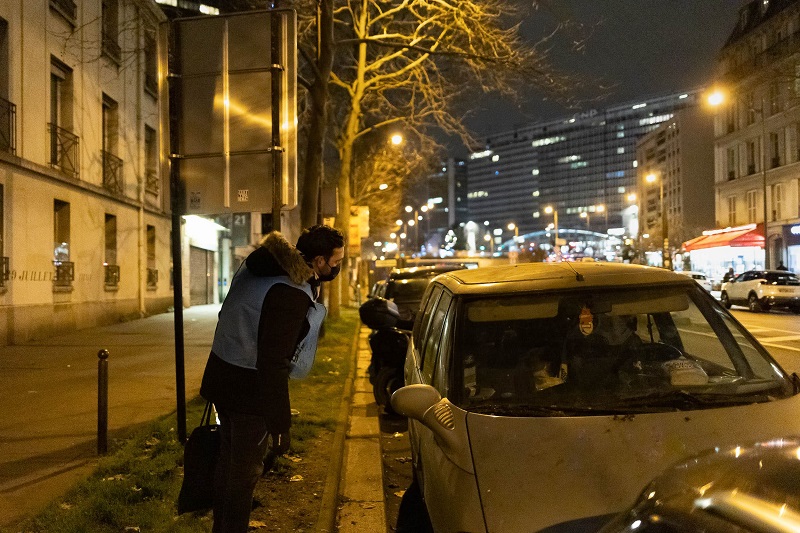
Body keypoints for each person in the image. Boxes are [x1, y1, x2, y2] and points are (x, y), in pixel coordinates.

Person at [199, 225, 345, 533]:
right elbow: (272, 362)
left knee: (229, 462)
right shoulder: (291, 292)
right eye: (335, 262)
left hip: (222, 376)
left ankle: (222, 528)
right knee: (244, 473)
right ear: (318, 261)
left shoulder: (260, 267)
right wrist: (280, 425)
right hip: (249, 390)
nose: (337, 268)